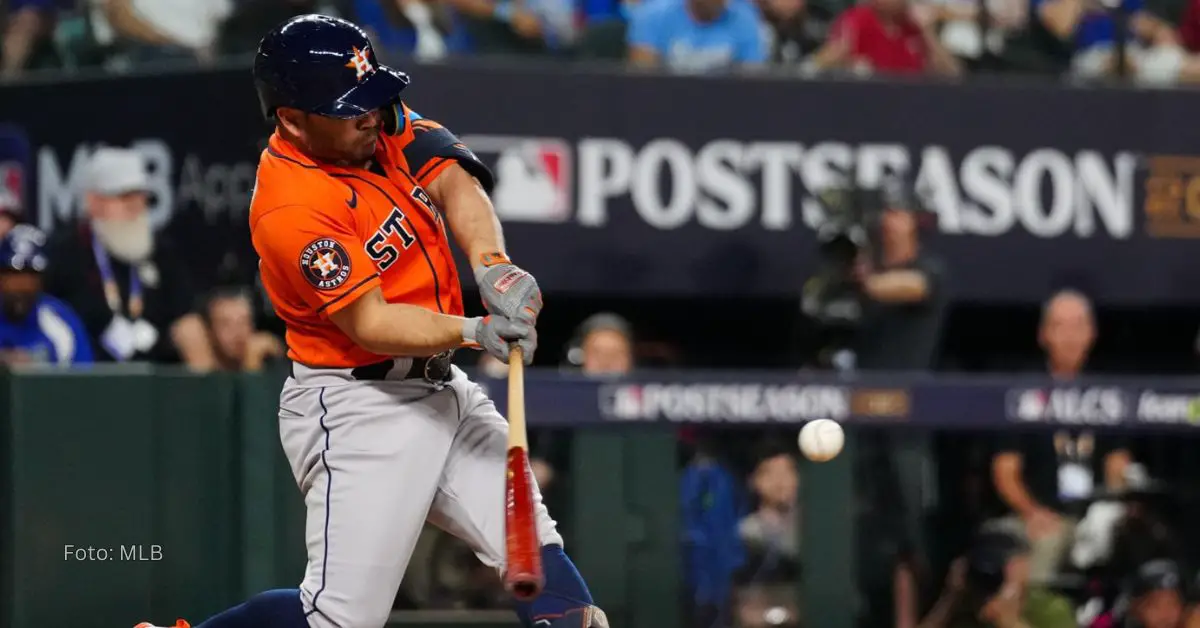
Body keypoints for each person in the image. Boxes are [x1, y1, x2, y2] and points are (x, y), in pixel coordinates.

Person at [134, 14, 604, 628]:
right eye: (347, 107)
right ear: (292, 119)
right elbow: (370, 323)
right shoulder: (290, 208)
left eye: (373, 99)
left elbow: (451, 178)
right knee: (336, 620)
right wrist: (473, 330)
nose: (370, 115)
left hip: (441, 388)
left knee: (545, 573)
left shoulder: (372, 123)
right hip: (359, 405)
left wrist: (493, 266)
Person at [43, 146, 216, 370]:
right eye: (123, 196)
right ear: (94, 202)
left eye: (140, 196)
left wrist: (205, 389)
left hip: (154, 387)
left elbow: (186, 321)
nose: (135, 205)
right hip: (86, 384)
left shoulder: (161, 252)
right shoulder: (64, 254)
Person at [0, 225, 92, 366]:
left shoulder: (59, 320)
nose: (22, 288)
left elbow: (83, 381)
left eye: (30, 278)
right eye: (14, 277)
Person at [204, 286, 285, 372]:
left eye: (244, 322)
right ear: (210, 332)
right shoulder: (203, 374)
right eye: (225, 325)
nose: (237, 332)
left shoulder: (268, 362)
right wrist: (251, 365)